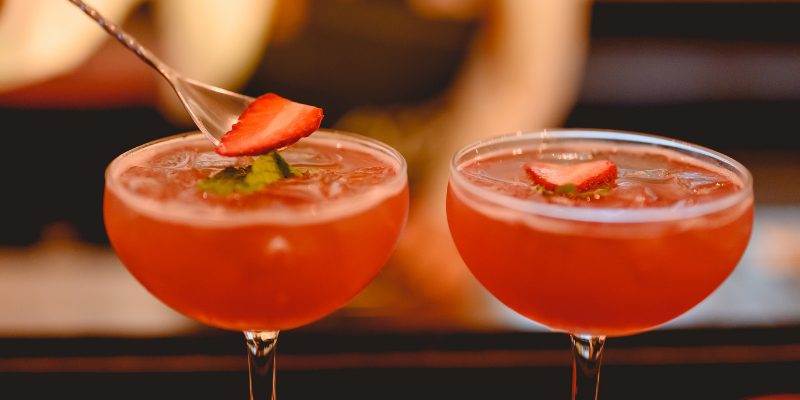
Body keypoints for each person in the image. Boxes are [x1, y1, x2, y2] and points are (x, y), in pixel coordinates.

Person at [0, 0, 592, 329]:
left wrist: (447, 205)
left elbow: (525, 70)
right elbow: (54, 29)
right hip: (226, 223)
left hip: (412, 243)